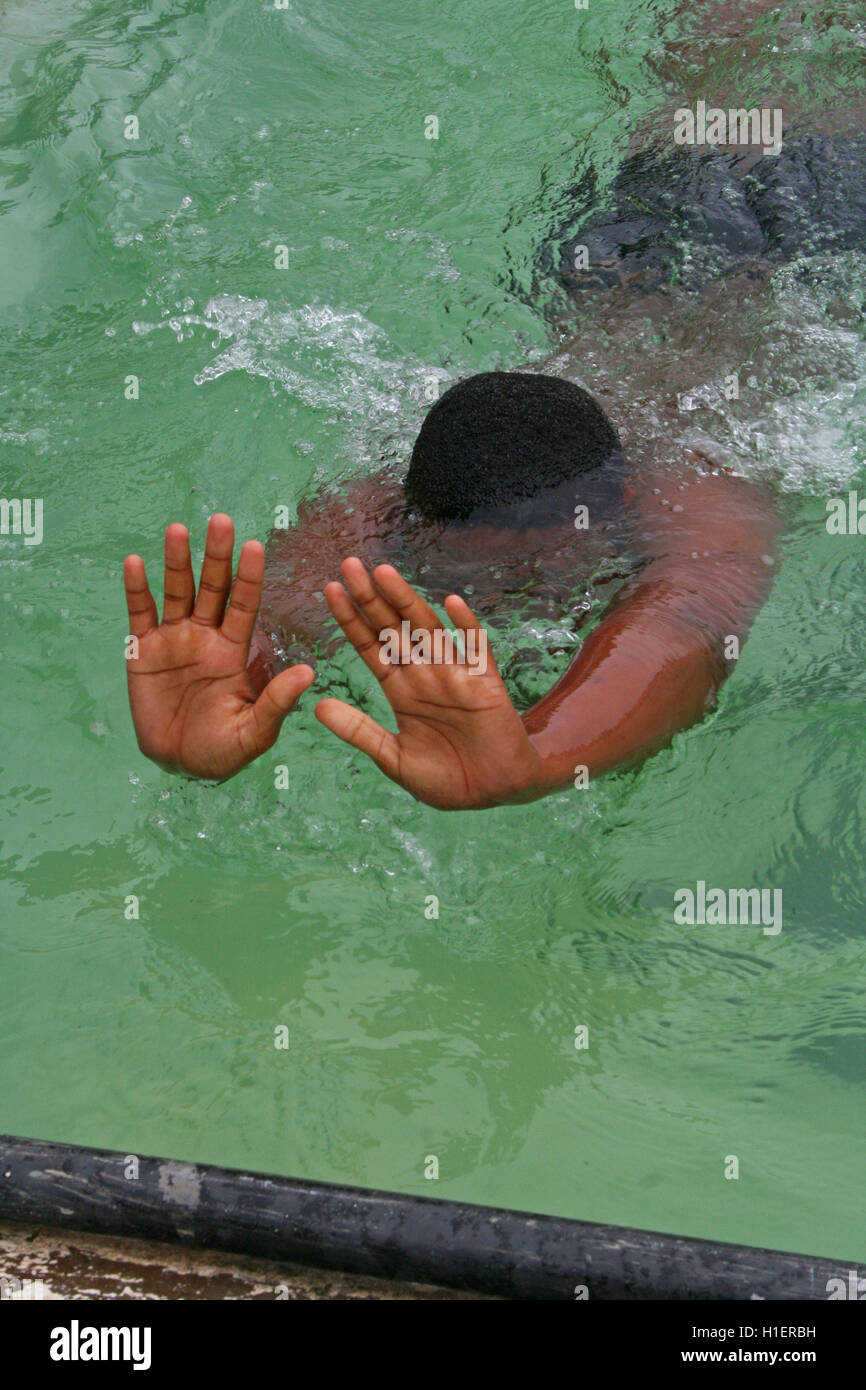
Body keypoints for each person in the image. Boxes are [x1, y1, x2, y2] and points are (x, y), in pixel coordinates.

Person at [123, 370, 780, 808]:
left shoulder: (697, 496)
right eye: (462, 579)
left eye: (535, 576)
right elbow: (278, 619)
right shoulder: (375, 513)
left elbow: (687, 624)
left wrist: (537, 758)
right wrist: (242, 680)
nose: (494, 609)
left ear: (624, 502)